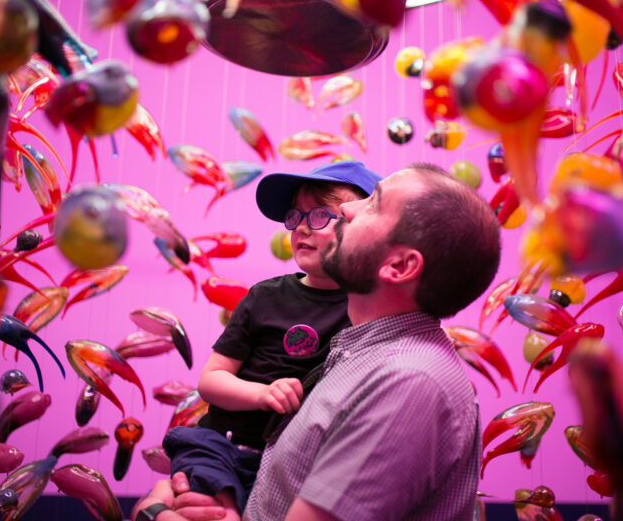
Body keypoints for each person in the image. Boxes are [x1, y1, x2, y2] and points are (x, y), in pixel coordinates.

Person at [134, 163, 501, 521]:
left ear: (400, 266)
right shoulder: (356, 353)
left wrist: (152, 513)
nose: (347, 208)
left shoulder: (408, 383)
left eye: (373, 203)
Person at [160, 161, 382, 518]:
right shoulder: (265, 297)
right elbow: (211, 381)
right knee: (215, 495)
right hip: (222, 446)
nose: (301, 228)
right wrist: (261, 394)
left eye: (321, 215)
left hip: (292, 463)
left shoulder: (368, 310)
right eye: (296, 216)